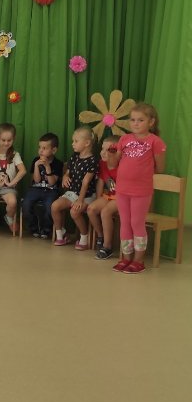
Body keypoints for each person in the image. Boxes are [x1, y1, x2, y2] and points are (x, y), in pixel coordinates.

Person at [110, 104, 166, 274]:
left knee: (137, 222)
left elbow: (160, 167)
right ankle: (126, 258)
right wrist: (111, 154)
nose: (135, 123)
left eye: (140, 120)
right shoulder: (124, 139)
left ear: (151, 122)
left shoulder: (155, 141)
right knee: (125, 222)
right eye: (132, 120)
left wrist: (141, 173)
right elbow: (113, 164)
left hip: (141, 190)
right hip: (122, 189)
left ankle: (138, 260)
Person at [51, 126, 98, 249]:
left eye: (76, 141)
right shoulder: (74, 156)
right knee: (55, 206)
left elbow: (86, 182)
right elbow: (68, 172)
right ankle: (61, 235)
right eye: (73, 141)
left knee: (74, 212)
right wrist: (65, 176)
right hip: (73, 193)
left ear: (87, 143)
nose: (73, 144)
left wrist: (80, 200)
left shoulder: (92, 160)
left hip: (87, 195)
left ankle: (84, 238)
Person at [21, 133, 63, 239]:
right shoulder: (36, 160)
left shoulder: (58, 163)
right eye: (39, 147)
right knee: (26, 204)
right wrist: (36, 166)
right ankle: (33, 228)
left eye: (44, 148)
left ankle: (46, 229)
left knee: (50, 206)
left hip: (51, 191)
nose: (41, 150)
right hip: (36, 189)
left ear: (53, 150)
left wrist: (47, 167)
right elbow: (36, 180)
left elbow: (52, 182)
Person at [87, 136, 120, 259]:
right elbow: (101, 182)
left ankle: (107, 246)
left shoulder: (123, 166)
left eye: (108, 150)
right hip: (109, 196)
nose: (103, 153)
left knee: (105, 212)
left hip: (121, 198)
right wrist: (98, 199)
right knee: (91, 209)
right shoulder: (102, 163)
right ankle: (101, 236)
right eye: (102, 149)